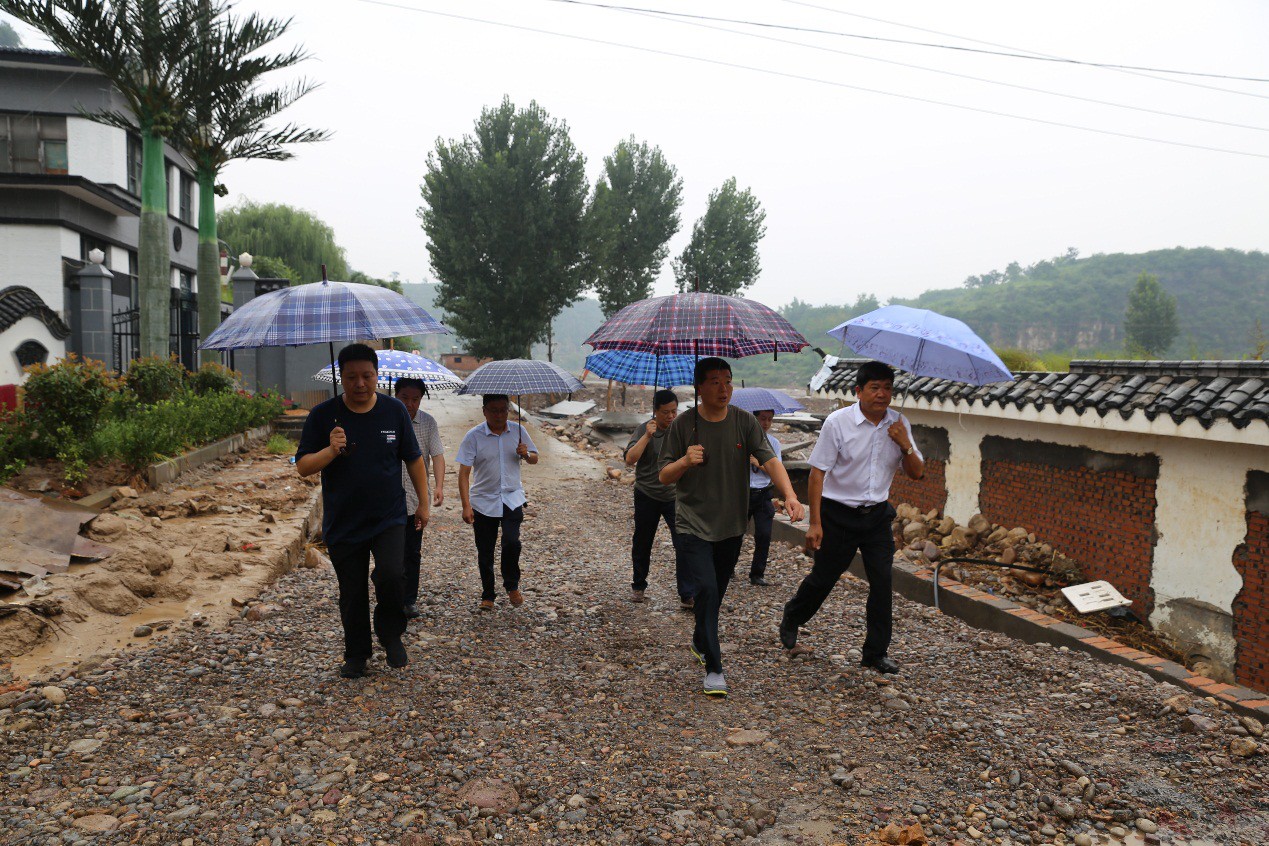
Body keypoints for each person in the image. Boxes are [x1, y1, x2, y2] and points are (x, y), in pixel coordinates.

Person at [659, 358, 805, 698]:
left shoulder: (744, 422)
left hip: (731, 524)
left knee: (717, 592)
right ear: (698, 387)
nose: (723, 388)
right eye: (714, 382)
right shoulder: (684, 425)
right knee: (707, 590)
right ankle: (714, 665)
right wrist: (684, 460)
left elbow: (770, 461)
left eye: (727, 381)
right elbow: (664, 475)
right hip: (691, 522)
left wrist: (790, 494)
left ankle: (699, 639)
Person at [779, 360, 924, 674]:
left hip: (876, 517)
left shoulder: (900, 424)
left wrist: (904, 444)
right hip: (838, 514)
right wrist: (815, 524)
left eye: (887, 387)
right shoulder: (838, 422)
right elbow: (817, 474)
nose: (882, 394)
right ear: (859, 391)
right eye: (874, 387)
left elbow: (917, 473)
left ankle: (875, 653)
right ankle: (793, 615)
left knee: (883, 582)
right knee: (825, 577)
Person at [296, 343, 429, 679]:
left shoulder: (394, 411)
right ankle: (356, 653)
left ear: (376, 376)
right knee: (352, 591)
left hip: (389, 515)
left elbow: (413, 458)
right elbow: (303, 467)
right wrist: (330, 449)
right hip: (344, 520)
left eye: (367, 376)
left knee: (391, 574)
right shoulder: (323, 416)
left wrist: (424, 502)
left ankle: (390, 632)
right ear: (341, 377)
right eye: (352, 376)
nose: (359, 383)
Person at [456, 394, 538, 611]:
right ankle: (488, 594)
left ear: (509, 410)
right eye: (494, 410)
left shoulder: (518, 430)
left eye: (503, 410)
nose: (499, 415)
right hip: (483, 500)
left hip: (512, 498)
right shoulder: (473, 436)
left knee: (512, 543)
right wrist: (466, 505)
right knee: (485, 550)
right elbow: (463, 474)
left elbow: (535, 457)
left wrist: (526, 454)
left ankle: (512, 585)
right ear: (484, 411)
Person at [624, 389, 692, 607]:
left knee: (682, 542)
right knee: (643, 541)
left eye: (674, 411)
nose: (671, 416)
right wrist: (646, 436)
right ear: (655, 411)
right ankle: (638, 586)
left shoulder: (680, 430)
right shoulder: (644, 429)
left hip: (674, 496)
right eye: (665, 412)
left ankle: (687, 593)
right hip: (646, 493)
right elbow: (629, 459)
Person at [394, 378, 445, 619]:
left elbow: (437, 455)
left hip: (415, 499)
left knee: (412, 552)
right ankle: (391, 598)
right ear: (396, 395)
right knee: (389, 553)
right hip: (386, 500)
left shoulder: (427, 423)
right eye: (405, 398)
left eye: (415, 399)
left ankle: (409, 599)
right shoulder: (384, 420)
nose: (410, 404)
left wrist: (438, 487)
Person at [745, 408, 782, 587]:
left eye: (769, 419)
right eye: (762, 419)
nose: (766, 423)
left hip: (763, 494)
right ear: (754, 419)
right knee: (734, 534)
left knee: (764, 534)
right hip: (743, 493)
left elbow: (777, 472)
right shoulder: (743, 440)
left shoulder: (773, 443)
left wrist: (759, 464)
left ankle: (757, 573)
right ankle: (727, 568)